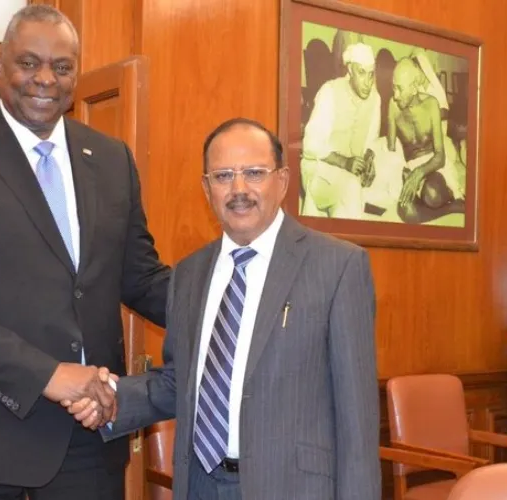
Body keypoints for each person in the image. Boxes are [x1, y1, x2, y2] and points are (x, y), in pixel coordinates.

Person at [0, 4, 170, 499]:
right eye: (28, 63)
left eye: (61, 67)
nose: (45, 79)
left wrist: (231, 298)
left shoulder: (111, 160)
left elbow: (141, 278)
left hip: (88, 433)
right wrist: (48, 375)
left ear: (76, 74)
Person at [66, 118, 381, 499]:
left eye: (254, 173)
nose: (239, 189)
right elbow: (180, 382)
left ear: (281, 180)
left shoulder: (337, 266)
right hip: (201, 485)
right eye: (223, 176)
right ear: (206, 188)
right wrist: (108, 394)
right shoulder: (189, 274)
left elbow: (357, 421)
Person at [300, 42, 381, 220]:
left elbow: (371, 141)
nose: (368, 82)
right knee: (351, 189)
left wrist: (369, 162)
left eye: (371, 74)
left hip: (350, 171)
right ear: (350, 70)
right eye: (361, 73)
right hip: (320, 168)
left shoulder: (375, 99)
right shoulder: (329, 91)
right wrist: (344, 162)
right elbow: (310, 145)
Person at [388, 57, 465, 223]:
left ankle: (448, 200)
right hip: (409, 166)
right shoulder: (393, 106)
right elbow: (391, 148)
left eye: (400, 89)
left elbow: (440, 157)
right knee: (405, 212)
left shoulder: (431, 105)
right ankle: (452, 207)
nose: (395, 95)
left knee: (433, 194)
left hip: (433, 166)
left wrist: (419, 173)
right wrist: (402, 170)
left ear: (414, 88)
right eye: (393, 87)